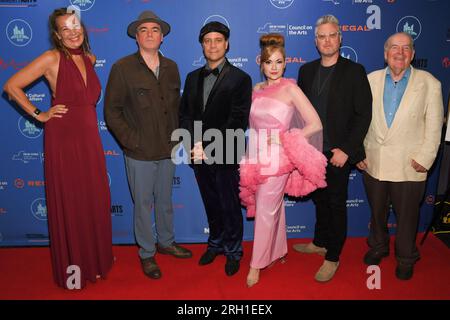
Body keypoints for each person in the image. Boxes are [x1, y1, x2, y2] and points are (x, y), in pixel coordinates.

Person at [3, 8, 113, 289]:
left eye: (76, 26)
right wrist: (39, 113)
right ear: (57, 35)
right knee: (72, 201)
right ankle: (75, 270)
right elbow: (12, 86)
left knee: (92, 198)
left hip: (89, 139)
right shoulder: (52, 58)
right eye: (66, 29)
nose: (73, 32)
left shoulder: (90, 58)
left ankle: (95, 263)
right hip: (63, 139)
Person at [104, 10, 192, 280]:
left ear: (162, 36)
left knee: (165, 201)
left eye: (155, 29)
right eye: (144, 30)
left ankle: (166, 242)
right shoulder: (122, 68)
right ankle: (146, 253)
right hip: (139, 152)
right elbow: (112, 112)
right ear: (136, 37)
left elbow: (177, 108)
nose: (150, 34)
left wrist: (179, 138)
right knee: (142, 205)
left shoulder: (172, 67)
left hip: (168, 148)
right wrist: (132, 140)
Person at [239, 34, 327, 287]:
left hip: (278, 159)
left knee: (266, 209)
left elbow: (315, 124)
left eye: (279, 62)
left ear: (286, 63)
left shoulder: (291, 89)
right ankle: (277, 251)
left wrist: (287, 138)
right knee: (270, 206)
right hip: (256, 156)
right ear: (261, 64)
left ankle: (256, 265)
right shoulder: (257, 90)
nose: (274, 67)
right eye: (269, 62)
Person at [356, 32, 444, 280]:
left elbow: (435, 124)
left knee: (407, 216)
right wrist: (359, 152)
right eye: (395, 47)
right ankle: (379, 247)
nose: (400, 52)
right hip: (375, 160)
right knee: (377, 212)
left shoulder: (430, 83)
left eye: (406, 48)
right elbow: (360, 120)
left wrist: (426, 158)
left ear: (413, 54)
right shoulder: (369, 80)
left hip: (410, 163)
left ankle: (406, 256)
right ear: (385, 53)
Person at [292, 14, 372, 282]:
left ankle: (333, 256)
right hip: (311, 153)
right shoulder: (306, 71)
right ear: (316, 42)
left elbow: (363, 115)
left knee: (336, 204)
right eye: (322, 37)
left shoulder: (354, 71)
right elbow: (299, 114)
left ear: (340, 38)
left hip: (337, 153)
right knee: (319, 201)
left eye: (331, 35)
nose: (327, 41)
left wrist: (348, 151)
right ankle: (320, 241)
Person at [179, 21, 252, 276]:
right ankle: (215, 243)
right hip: (197, 154)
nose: (213, 45)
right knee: (210, 202)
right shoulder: (191, 78)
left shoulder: (241, 79)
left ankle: (233, 250)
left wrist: (207, 146)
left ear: (227, 44)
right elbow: (185, 115)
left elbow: (238, 120)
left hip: (226, 151)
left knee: (229, 204)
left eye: (218, 40)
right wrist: (193, 145)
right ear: (202, 45)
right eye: (208, 40)